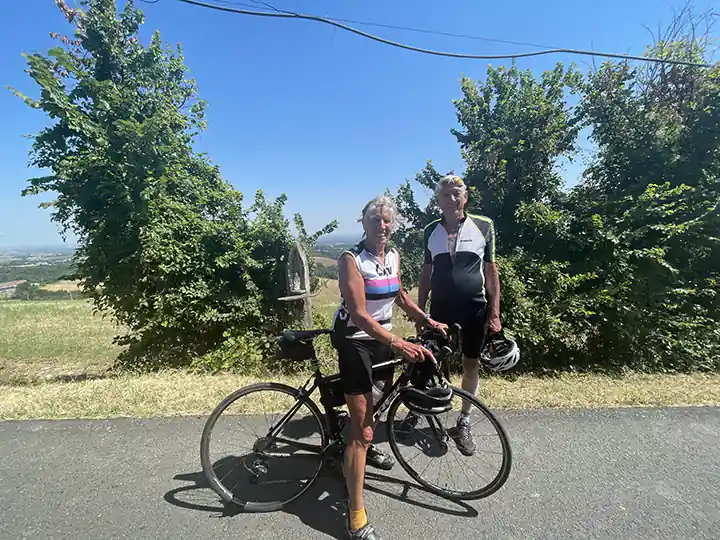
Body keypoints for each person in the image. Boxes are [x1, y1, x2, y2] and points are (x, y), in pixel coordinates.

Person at [332, 195, 447, 540]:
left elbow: (399, 297)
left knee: (377, 405)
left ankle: (357, 437)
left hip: (380, 337)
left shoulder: (393, 256)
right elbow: (358, 314)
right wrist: (399, 342)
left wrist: (427, 320)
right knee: (364, 428)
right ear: (363, 222)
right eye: (375, 219)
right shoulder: (351, 259)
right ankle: (355, 514)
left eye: (387, 220)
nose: (382, 225)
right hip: (354, 338)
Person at [407, 174, 502, 456]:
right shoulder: (430, 230)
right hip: (440, 310)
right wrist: (421, 311)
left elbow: (491, 270)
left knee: (470, 363)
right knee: (433, 362)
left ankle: (464, 419)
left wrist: (495, 312)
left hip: (474, 307)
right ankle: (426, 411)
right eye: (445, 195)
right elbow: (426, 272)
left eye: (456, 194)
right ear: (437, 201)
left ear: (465, 197)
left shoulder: (484, 225)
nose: (451, 200)